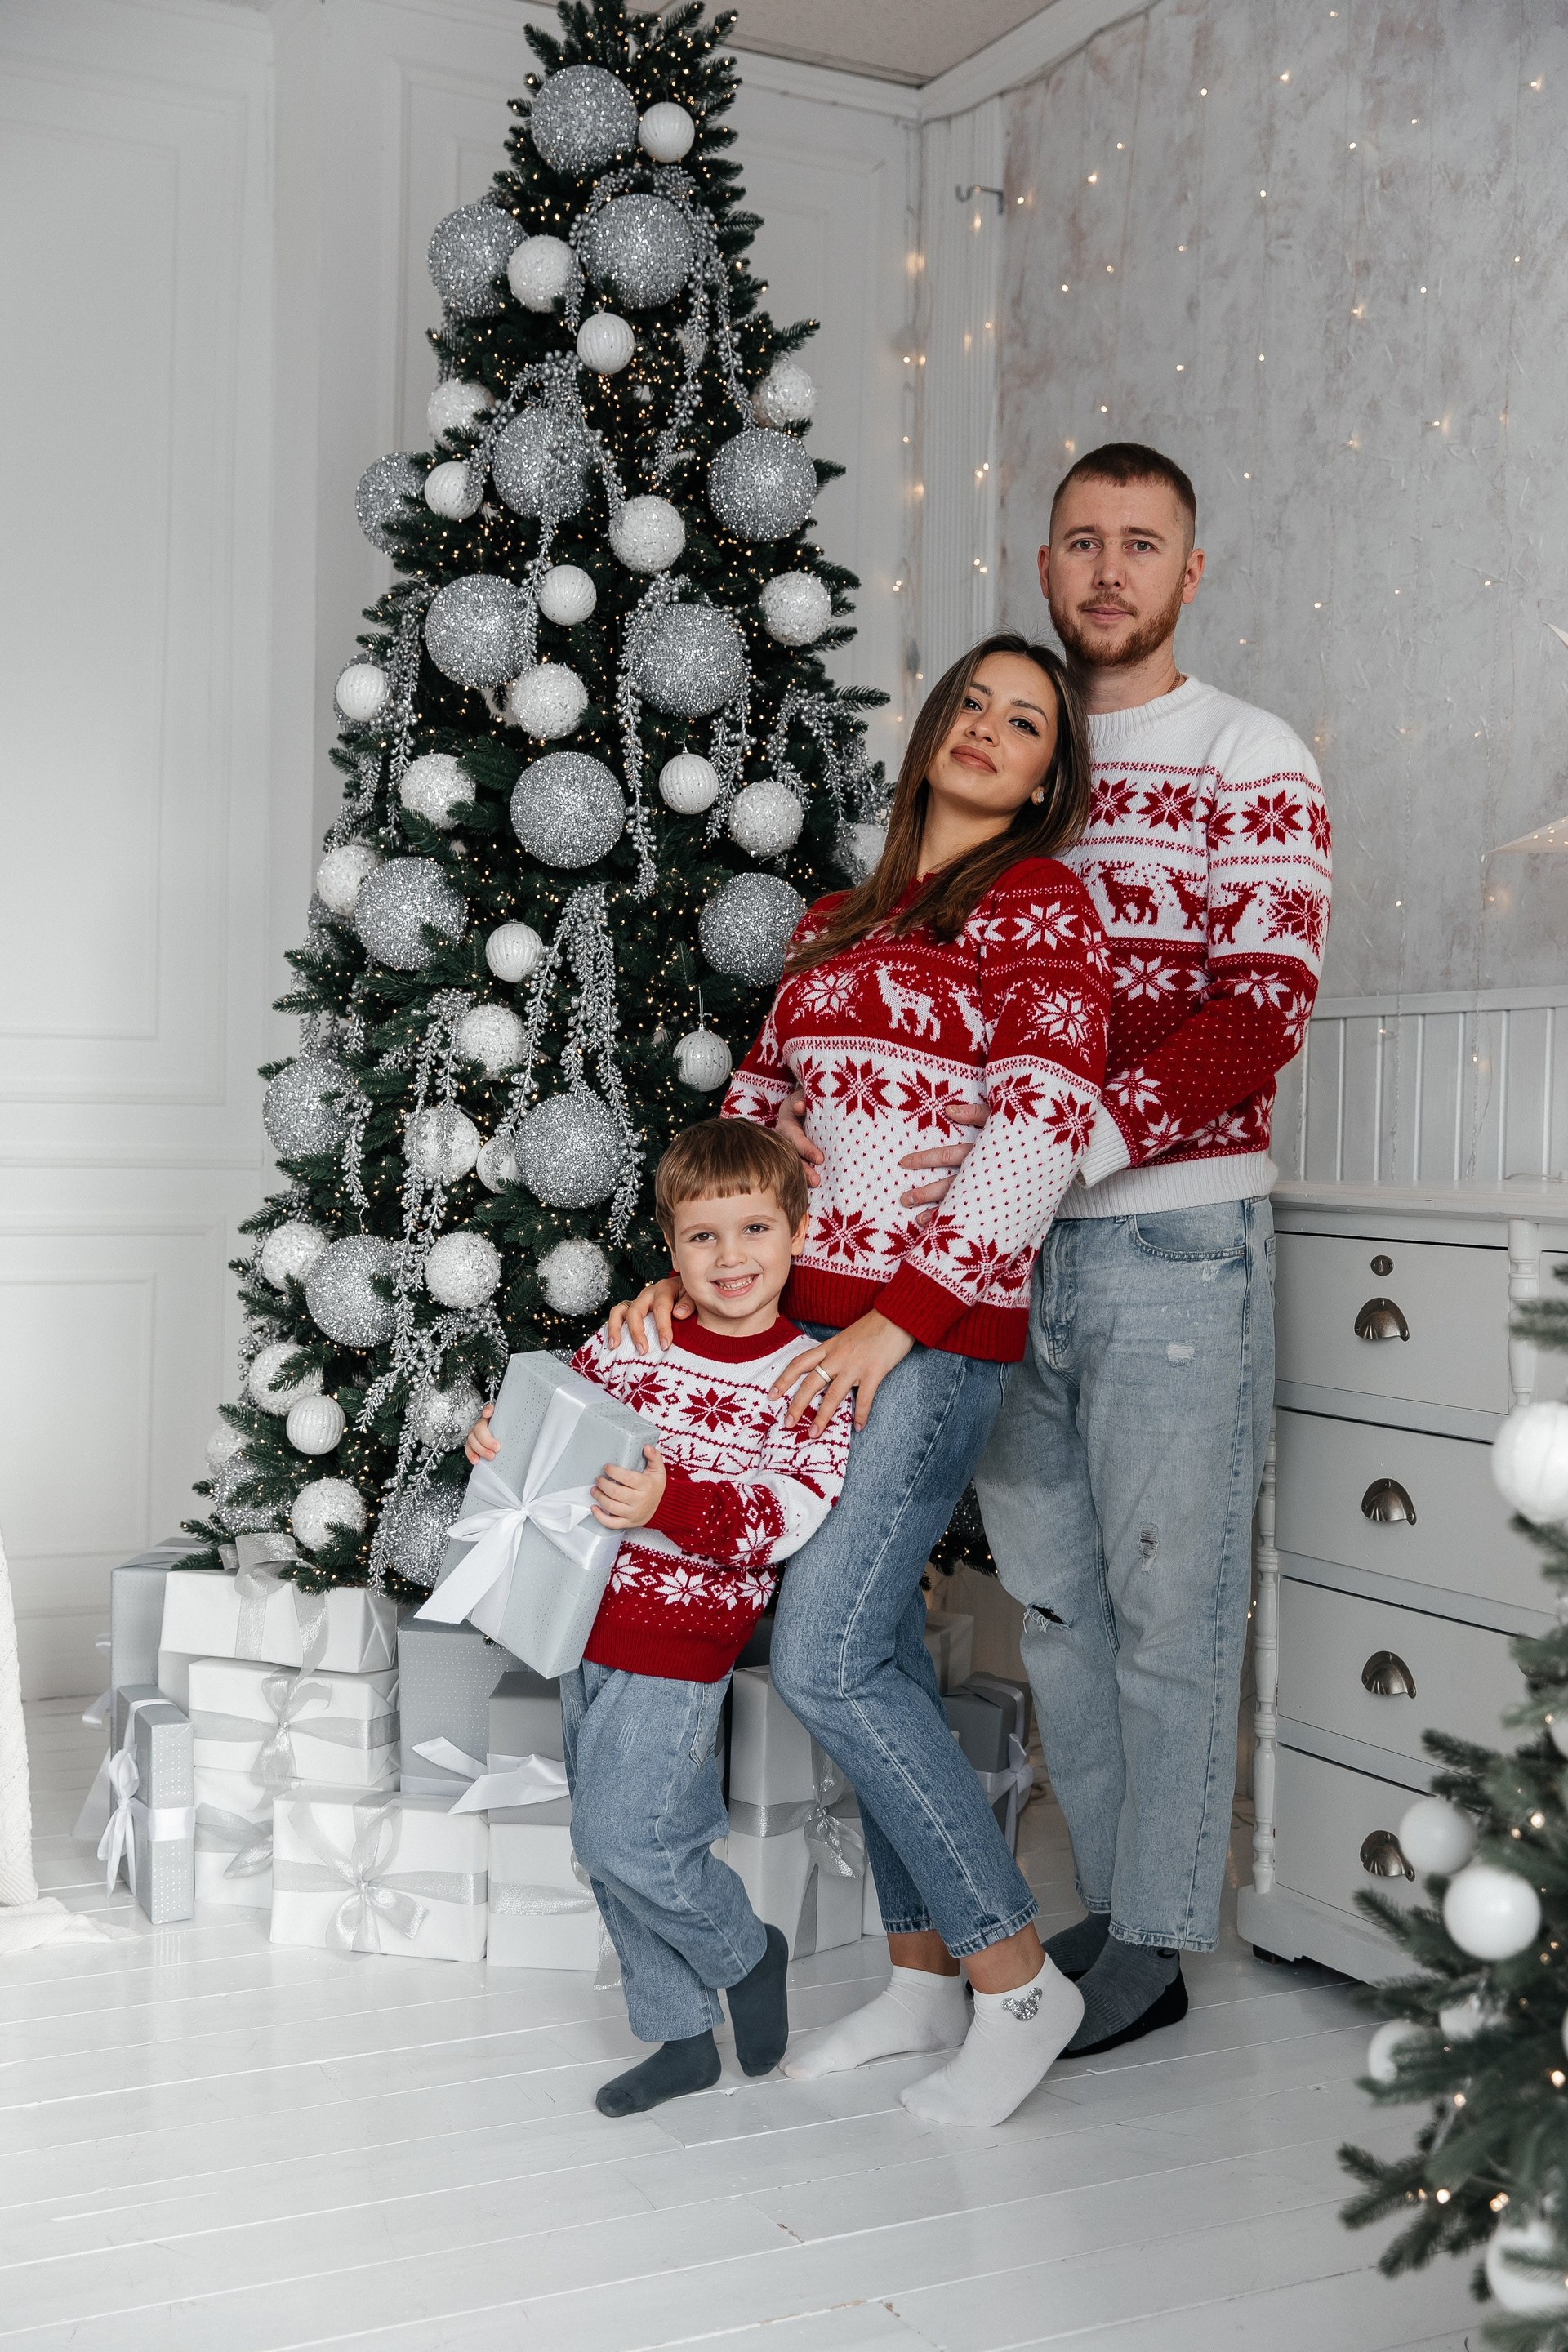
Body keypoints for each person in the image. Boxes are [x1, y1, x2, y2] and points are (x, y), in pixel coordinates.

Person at [781, 444, 1333, 2056]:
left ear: (1189, 572)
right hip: (998, 1261)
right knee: (1060, 1608)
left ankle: (1154, 1939)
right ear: (1044, 565)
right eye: (1082, 541)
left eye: (1142, 544)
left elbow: (1261, 1008)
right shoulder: (1009, 762)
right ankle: (1104, 1908)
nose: (1109, 571)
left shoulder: (1249, 753)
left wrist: (1070, 1141)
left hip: (1172, 1240)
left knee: (1169, 1608)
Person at [612, 636, 1110, 2127]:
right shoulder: (832, 922)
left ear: (1048, 776)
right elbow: (758, 1110)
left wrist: (901, 1318)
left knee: (827, 1656)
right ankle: (919, 1980)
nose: (991, 730)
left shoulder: (1039, 904)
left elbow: (1039, 1126)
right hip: (801, 1336)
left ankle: (1017, 1978)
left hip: (927, 1342)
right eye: (976, 704)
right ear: (937, 728)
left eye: (1028, 723)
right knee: (871, 1645)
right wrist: (702, 1261)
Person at [466, 1120, 853, 2118]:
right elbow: (558, 1425)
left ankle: (746, 1953)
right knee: (636, 1838)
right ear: (671, 1246)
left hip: (681, 1644)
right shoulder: (635, 1339)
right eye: (703, 1237)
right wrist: (496, 1439)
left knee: (620, 1839)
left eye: (755, 1230)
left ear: (800, 1233)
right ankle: (680, 2038)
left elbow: (785, 1516)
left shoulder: (807, 1378)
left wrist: (669, 1503)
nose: (731, 1257)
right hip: (579, 1619)